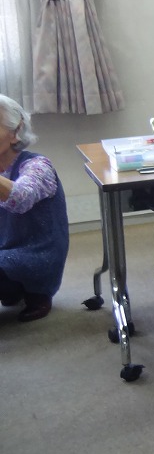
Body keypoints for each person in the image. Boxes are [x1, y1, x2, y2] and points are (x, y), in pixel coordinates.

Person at [0, 96, 69, 322]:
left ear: (16, 131)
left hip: (35, 254)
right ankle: (10, 290)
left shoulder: (38, 165)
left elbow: (20, 198)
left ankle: (37, 295)